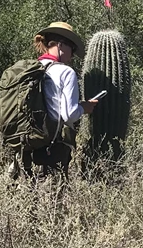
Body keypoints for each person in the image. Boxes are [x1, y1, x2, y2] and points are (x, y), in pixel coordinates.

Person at [12, 23, 100, 179]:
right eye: (72, 49)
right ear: (60, 45)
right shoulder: (66, 72)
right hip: (51, 148)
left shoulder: (31, 69)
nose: (72, 55)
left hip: (24, 143)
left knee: (27, 195)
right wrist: (84, 108)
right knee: (51, 197)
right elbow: (69, 115)